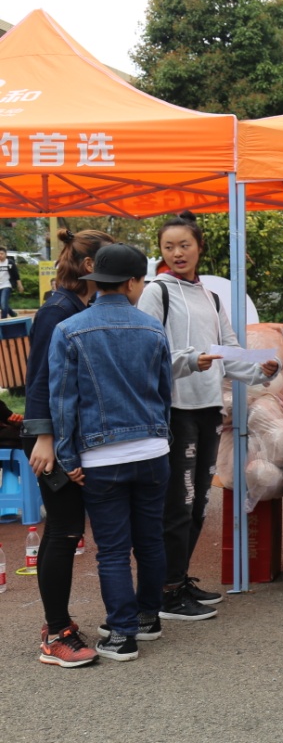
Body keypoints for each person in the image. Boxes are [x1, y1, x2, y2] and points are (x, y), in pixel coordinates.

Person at [137, 212, 279, 622]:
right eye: (168, 247)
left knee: (199, 501)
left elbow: (230, 353)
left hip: (207, 410)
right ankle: (165, 592)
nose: (177, 253)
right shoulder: (156, 292)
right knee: (179, 503)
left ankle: (177, 580)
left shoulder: (212, 298)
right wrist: (188, 361)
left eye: (184, 245)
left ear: (199, 247)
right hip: (174, 410)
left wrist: (261, 370)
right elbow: (147, 353)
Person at [49, 244, 171, 662]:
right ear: (133, 282)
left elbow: (62, 401)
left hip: (101, 456)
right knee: (150, 541)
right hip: (153, 450)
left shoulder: (69, 329)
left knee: (114, 550)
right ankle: (148, 617)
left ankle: (122, 633)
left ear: (98, 281)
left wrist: (67, 458)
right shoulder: (153, 328)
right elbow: (165, 392)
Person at [23, 228, 113, 666]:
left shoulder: (81, 307)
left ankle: (60, 625)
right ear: (91, 266)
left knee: (70, 529)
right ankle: (56, 632)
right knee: (63, 530)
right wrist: (48, 440)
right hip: (52, 440)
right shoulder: (57, 310)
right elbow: (40, 380)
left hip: (70, 437)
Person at [0, 247, 24, 318]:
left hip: (7, 285)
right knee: (2, 304)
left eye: (2, 254)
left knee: (3, 303)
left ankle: (3, 320)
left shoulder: (10, 263)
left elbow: (16, 275)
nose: (0, 255)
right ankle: (13, 314)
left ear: (6, 254)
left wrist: (20, 285)